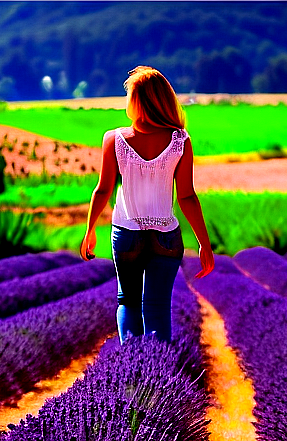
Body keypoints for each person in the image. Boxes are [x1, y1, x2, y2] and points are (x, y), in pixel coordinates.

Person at [80, 66, 214, 343]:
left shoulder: (114, 139)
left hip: (127, 234)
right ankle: (160, 372)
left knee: (128, 301)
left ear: (138, 101)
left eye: (129, 95)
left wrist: (90, 230)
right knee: (157, 307)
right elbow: (187, 196)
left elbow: (103, 189)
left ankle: (133, 370)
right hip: (166, 236)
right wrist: (204, 243)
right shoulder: (181, 140)